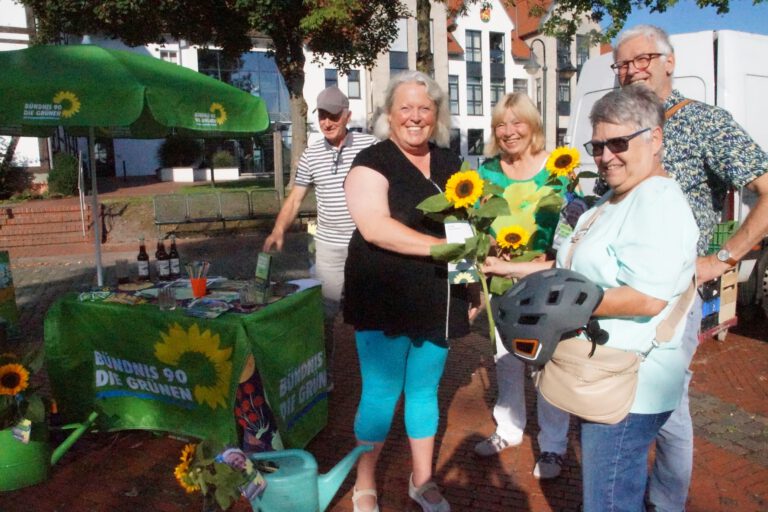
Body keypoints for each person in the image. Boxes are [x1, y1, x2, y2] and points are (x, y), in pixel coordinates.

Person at [484, 84, 698, 511]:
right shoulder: (617, 196)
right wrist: (518, 273)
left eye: (618, 142)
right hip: (606, 376)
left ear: (655, 139)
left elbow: (646, 297)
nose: (605, 156)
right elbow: (576, 266)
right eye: (597, 145)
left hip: (630, 386)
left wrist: (556, 304)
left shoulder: (655, 201)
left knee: (608, 500)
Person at [612, 25, 768, 511]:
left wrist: (724, 257)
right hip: (622, 292)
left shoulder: (703, 121)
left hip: (675, 293)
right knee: (632, 402)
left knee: (666, 406)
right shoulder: (618, 127)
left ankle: (664, 500)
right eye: (623, 63)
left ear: (669, 62)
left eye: (643, 59)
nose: (632, 69)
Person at [343, 70, 473, 512]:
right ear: (388, 114)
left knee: (424, 391)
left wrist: (470, 290)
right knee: (380, 392)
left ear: (436, 114)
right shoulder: (370, 161)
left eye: (425, 108)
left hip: (437, 296)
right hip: (383, 295)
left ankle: (423, 480)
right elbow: (375, 228)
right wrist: (445, 249)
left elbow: (465, 228)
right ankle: (365, 484)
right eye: (406, 108)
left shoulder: (450, 162)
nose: (415, 117)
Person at [472, 92, 572, 481]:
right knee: (507, 361)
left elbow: (575, 226)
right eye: (501, 124)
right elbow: (476, 226)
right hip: (501, 284)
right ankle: (510, 429)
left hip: (547, 282)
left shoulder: (558, 169)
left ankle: (553, 446)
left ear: (533, 125)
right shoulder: (486, 173)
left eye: (517, 122)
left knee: (548, 366)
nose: (509, 131)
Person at [263, 86, 376, 389]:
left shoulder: (370, 147)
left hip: (366, 246)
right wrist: (278, 229)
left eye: (333, 116)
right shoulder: (310, 155)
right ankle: (325, 374)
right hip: (328, 246)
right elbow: (295, 199)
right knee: (324, 315)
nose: (327, 122)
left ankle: (378, 375)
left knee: (371, 315)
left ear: (347, 116)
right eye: (322, 115)